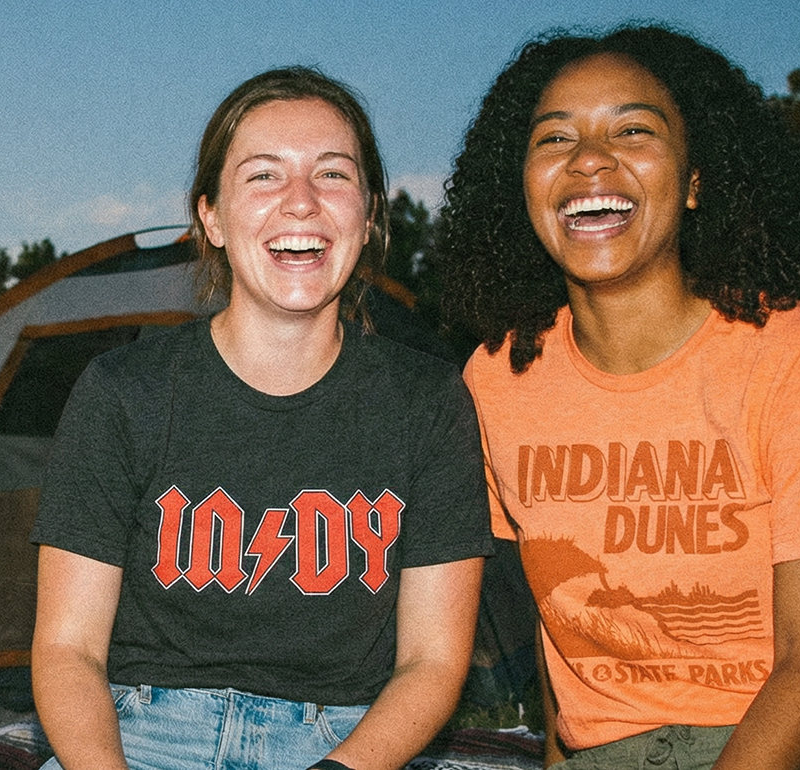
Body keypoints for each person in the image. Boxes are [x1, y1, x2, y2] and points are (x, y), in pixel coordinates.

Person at [433, 25, 800, 770]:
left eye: (633, 130)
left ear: (698, 181)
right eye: (555, 138)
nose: (589, 158)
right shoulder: (497, 375)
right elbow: (561, 613)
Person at [31, 67, 491, 770]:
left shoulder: (427, 402)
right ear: (212, 217)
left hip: (345, 742)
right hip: (141, 733)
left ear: (370, 215)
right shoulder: (124, 391)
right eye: (264, 176)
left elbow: (431, 662)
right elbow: (69, 650)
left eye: (332, 174)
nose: (301, 202)